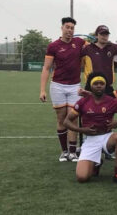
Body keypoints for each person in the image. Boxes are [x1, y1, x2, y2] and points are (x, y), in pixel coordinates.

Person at [64, 72, 117, 185]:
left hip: (107, 137)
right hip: (90, 139)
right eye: (96, 83)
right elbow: (66, 121)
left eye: (102, 83)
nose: (99, 86)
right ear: (90, 86)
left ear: (105, 86)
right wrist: (82, 130)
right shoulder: (83, 102)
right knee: (82, 177)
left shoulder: (112, 101)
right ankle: (96, 163)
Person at [40, 17, 85, 162]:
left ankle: (72, 152)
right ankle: (64, 151)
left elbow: (98, 45)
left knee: (73, 117)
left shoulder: (79, 43)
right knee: (61, 118)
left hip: (74, 86)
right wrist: (42, 90)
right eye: (67, 27)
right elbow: (46, 68)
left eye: (72, 28)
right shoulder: (53, 46)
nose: (70, 30)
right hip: (58, 86)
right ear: (62, 28)